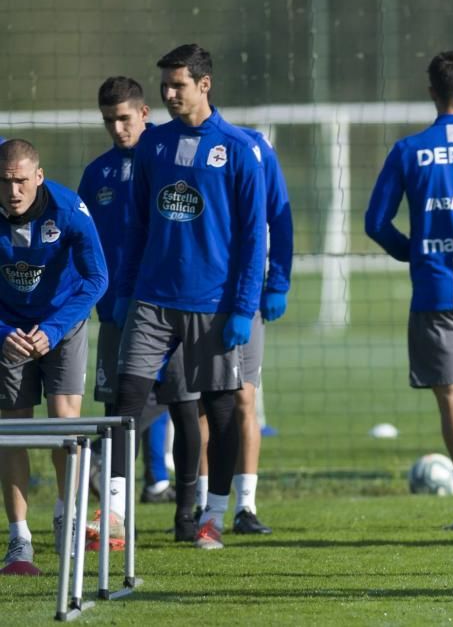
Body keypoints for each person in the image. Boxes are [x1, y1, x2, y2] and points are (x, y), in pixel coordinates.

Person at [105, 43, 266, 550]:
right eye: (165, 86)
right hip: (152, 301)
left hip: (213, 305)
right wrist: (125, 292)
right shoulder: (152, 147)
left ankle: (212, 517)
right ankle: (112, 516)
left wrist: (243, 308)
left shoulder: (238, 149)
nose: (170, 93)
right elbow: (136, 227)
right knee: (125, 400)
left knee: (219, 412)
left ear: (204, 84)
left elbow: (252, 237)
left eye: (178, 85)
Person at [365, 51, 453, 530]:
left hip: (437, 290)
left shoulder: (410, 151)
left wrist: (414, 251)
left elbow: (375, 222)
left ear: (431, 92)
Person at [160, 122, 292, 536]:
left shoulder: (253, 149)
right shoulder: (189, 150)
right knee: (201, 404)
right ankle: (206, 504)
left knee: (243, 400)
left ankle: (245, 506)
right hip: (199, 299)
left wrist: (277, 283)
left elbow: (279, 218)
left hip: (243, 298)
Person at [0, 139, 108, 574]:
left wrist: (54, 329)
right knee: (12, 431)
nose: (13, 191)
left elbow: (96, 277)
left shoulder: (67, 210)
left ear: (38, 177)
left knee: (65, 424)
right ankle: (19, 540)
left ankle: (67, 516)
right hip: (8, 328)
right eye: (5, 182)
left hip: (61, 324)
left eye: (22, 180)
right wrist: (4, 333)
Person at [76, 77, 177, 520]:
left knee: (177, 397)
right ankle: (120, 506)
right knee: (118, 401)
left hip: (165, 303)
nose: (117, 128)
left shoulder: (168, 158)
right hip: (114, 310)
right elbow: (81, 244)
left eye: (123, 118)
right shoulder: (96, 173)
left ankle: (191, 506)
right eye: (108, 120)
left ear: (144, 114)